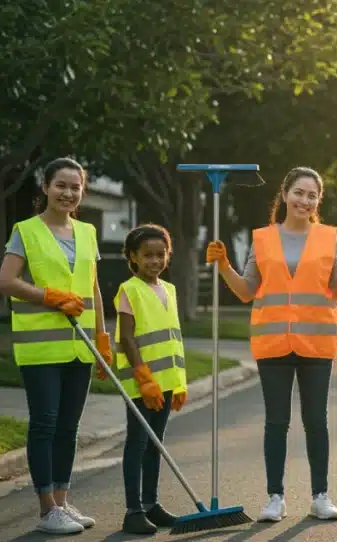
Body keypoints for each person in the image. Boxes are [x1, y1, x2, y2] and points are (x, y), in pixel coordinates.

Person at [206, 167, 337, 522]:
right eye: (299, 192)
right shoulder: (263, 239)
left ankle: (321, 497)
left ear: (318, 201)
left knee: (316, 421)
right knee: (276, 422)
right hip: (273, 342)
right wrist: (223, 265)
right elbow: (246, 291)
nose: (304, 200)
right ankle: (275, 498)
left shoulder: (328, 238)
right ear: (284, 194)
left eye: (312, 195)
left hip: (316, 342)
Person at [0, 158, 111, 535]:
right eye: (60, 185)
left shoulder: (87, 232)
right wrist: (50, 297)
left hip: (80, 346)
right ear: (45, 187)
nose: (68, 193)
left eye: (75, 187)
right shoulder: (26, 231)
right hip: (41, 348)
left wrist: (102, 337)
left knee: (69, 427)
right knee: (45, 424)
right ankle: (47, 509)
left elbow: (92, 287)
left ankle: (62, 501)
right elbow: (6, 282)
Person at [113, 224, 189, 535]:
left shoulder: (169, 289)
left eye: (161, 254)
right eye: (147, 255)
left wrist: (179, 383)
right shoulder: (129, 290)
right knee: (138, 442)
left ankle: (150, 504)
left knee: (155, 443)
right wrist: (143, 378)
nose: (155, 261)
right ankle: (133, 511)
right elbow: (127, 338)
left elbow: (173, 339)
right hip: (141, 383)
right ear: (133, 256)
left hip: (166, 383)